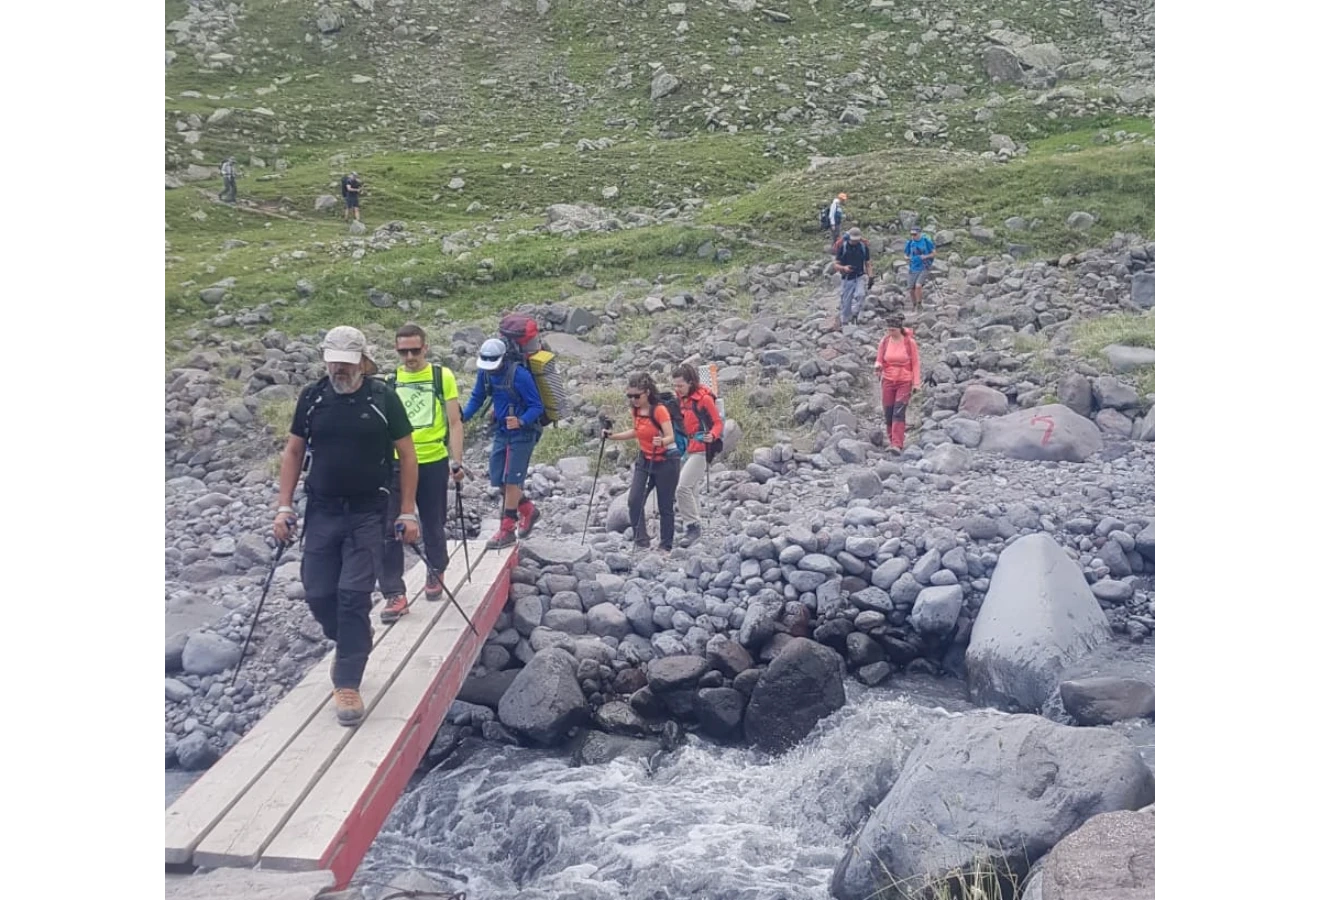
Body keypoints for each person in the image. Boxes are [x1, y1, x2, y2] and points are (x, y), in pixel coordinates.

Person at [273, 326, 418, 726]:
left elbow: (407, 455)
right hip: (321, 509)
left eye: (346, 362)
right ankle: (353, 641)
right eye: (333, 360)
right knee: (319, 592)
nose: (339, 368)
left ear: (361, 361)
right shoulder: (313, 397)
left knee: (353, 594)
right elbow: (294, 450)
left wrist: (407, 512)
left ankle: (348, 681)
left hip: (369, 510)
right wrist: (283, 506)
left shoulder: (382, 397)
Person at [378, 323, 465, 625]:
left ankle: (436, 568)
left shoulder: (442, 377)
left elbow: (454, 422)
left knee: (432, 521)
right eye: (404, 351)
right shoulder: (389, 382)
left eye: (415, 350)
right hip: (395, 462)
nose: (410, 356)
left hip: (432, 459)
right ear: (397, 350)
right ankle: (394, 593)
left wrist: (457, 460)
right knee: (388, 528)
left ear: (425, 347)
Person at [460, 338, 545, 550]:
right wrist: (460, 417)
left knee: (513, 480)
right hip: (501, 431)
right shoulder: (485, 373)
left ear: (503, 358)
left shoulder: (520, 375)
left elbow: (537, 406)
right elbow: (477, 397)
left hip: (524, 433)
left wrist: (521, 421)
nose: (491, 367)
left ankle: (507, 529)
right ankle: (528, 510)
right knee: (498, 478)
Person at [604, 373, 680, 552]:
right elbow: (637, 431)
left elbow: (671, 436)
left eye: (637, 396)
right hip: (645, 459)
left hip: (666, 462)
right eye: (629, 396)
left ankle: (665, 546)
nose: (633, 400)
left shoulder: (659, 410)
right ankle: (641, 541)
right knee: (634, 500)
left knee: (665, 505)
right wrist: (612, 436)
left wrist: (661, 441)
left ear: (647, 393)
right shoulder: (636, 409)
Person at [671, 364, 724, 548]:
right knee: (691, 489)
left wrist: (713, 435)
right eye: (675, 386)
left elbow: (718, 423)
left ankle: (692, 527)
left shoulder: (704, 400)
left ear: (691, 383)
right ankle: (695, 526)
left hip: (702, 448)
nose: (677, 390)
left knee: (682, 488)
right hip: (688, 448)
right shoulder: (680, 399)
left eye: (680, 386)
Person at [874, 314, 921, 454]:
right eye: (889, 330)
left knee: (898, 412)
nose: (890, 333)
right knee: (888, 411)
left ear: (899, 329)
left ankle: (897, 443)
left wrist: (916, 383)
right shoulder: (885, 341)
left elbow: (916, 363)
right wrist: (878, 366)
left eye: (893, 330)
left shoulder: (909, 342)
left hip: (904, 381)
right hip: (888, 380)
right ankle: (891, 439)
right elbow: (880, 358)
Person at [832, 226, 873, 326]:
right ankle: (845, 321)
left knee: (861, 295)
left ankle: (854, 314)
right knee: (846, 301)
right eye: (853, 240)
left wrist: (871, 276)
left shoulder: (863, 247)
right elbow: (836, 264)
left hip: (859, 276)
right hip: (847, 278)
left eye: (857, 240)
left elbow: (867, 263)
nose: (855, 242)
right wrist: (844, 268)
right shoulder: (843, 247)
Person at [905, 225, 936, 309]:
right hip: (913, 267)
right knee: (911, 289)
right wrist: (907, 258)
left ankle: (919, 305)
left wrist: (925, 256)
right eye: (912, 234)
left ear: (919, 233)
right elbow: (906, 254)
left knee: (918, 286)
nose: (913, 236)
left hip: (924, 266)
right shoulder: (910, 242)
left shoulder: (926, 241)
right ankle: (914, 305)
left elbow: (934, 253)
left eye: (915, 234)